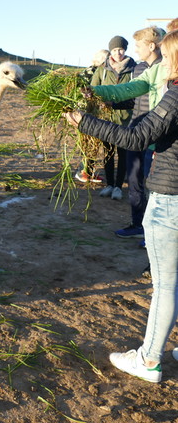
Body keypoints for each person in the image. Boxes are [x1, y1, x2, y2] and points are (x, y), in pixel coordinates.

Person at [62, 29, 178, 383]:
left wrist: (86, 121)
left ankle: (148, 360)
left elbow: (135, 137)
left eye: (168, 53)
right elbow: (133, 95)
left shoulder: (174, 97)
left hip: (170, 200)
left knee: (165, 286)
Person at [114, 27, 165, 241]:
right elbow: (133, 97)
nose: (134, 50)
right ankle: (138, 224)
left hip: (154, 134)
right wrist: (110, 102)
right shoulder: (139, 69)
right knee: (134, 180)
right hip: (135, 129)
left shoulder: (167, 69)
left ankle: (154, 231)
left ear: (151, 45)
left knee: (152, 185)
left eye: (138, 45)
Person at [90, 36, 136, 200]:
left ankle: (118, 187)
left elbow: (136, 94)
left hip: (126, 119)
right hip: (106, 119)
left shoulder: (133, 69)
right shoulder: (102, 69)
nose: (118, 53)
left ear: (125, 50)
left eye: (121, 49)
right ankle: (109, 184)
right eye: (115, 49)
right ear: (111, 50)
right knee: (108, 153)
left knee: (122, 154)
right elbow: (92, 89)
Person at [75, 49, 109, 183]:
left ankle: (89, 172)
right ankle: (82, 172)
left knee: (94, 144)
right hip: (86, 112)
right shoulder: (89, 72)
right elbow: (83, 91)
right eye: (106, 58)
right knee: (87, 143)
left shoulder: (103, 71)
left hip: (96, 112)